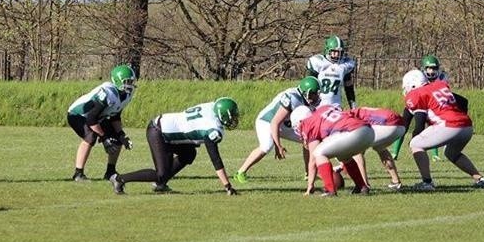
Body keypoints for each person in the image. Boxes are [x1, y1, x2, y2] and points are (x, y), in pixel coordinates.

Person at [109, 97, 239, 195]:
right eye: (232, 115)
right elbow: (215, 159)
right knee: (161, 173)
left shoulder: (212, 106)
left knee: (189, 153)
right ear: (222, 115)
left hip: (167, 126)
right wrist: (227, 185)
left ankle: (161, 185)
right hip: (159, 132)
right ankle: (119, 179)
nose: (234, 118)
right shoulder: (213, 129)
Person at [401, 69, 484, 190]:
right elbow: (463, 101)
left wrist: (413, 142)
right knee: (451, 153)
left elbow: (419, 125)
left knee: (416, 144)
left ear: (413, 84)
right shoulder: (439, 85)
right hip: (467, 126)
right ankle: (480, 179)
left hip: (449, 125)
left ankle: (427, 183)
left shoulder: (417, 94)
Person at [232, 77, 321, 183]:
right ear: (307, 92)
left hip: (282, 124)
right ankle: (240, 172)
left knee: (308, 138)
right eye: (314, 94)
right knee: (266, 146)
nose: (316, 96)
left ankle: (308, 173)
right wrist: (278, 145)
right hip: (267, 121)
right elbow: (275, 122)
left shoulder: (303, 99)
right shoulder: (293, 98)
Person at [306, 35, 367, 184]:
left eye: (339, 52)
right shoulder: (317, 63)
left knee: (343, 145)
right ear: (327, 50)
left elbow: (349, 88)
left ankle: (362, 180)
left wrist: (353, 106)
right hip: (318, 109)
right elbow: (308, 84)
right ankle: (311, 173)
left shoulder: (345, 66)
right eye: (333, 52)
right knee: (313, 144)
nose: (336, 55)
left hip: (335, 109)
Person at [67, 64, 136, 182]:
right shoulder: (108, 92)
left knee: (116, 138)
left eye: (131, 81)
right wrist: (104, 138)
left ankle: (110, 172)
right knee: (90, 136)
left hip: (98, 117)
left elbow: (115, 115)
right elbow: (91, 119)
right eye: (127, 81)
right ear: (117, 81)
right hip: (78, 115)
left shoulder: (127, 94)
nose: (129, 84)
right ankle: (78, 173)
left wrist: (121, 134)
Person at [391, 55, 467, 161]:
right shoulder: (419, 77)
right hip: (417, 103)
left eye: (434, 68)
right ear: (424, 69)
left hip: (431, 105)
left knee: (433, 126)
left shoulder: (442, 78)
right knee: (404, 125)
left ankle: (434, 154)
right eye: (429, 68)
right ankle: (395, 152)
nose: (431, 71)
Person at [291, 104, 374, 196]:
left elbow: (313, 159)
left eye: (297, 127)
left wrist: (310, 185)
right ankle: (362, 186)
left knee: (318, 153)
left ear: (300, 120)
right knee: (344, 156)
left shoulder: (307, 122)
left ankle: (330, 190)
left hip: (352, 131)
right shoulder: (324, 108)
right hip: (369, 131)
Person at [348, 107, 405, 190]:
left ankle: (363, 185)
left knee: (356, 149)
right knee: (379, 147)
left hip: (388, 124)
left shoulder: (349, 117)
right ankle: (396, 182)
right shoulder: (356, 111)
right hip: (401, 125)